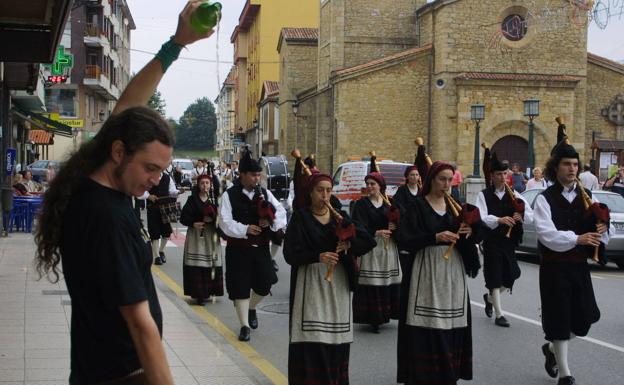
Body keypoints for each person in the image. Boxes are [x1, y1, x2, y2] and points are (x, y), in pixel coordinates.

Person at [33, 3, 212, 384]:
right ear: (119, 152)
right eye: (149, 168)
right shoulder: (105, 218)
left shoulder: (93, 183)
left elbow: (130, 103)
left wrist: (176, 45)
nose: (154, 180)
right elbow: (140, 323)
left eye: (161, 171)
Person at [535, 128, 611, 385]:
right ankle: (565, 373)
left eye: (575, 164)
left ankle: (552, 349)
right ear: (555, 168)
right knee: (559, 319)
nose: (572, 169)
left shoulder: (586, 198)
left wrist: (601, 229)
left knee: (586, 317)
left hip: (579, 267)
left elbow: (599, 234)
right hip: (554, 268)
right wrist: (576, 238)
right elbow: (547, 234)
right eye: (567, 164)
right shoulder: (544, 199)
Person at [284, 172, 375, 385]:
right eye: (320, 190)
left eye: (328, 190)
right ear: (311, 192)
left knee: (335, 338)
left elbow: (369, 241)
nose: (325, 195)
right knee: (314, 339)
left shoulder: (340, 218)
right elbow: (290, 254)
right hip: (311, 283)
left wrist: (349, 245)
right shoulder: (301, 218)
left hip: (338, 286)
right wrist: (317, 256)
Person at [396, 161, 481, 385]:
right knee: (427, 324)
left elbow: (474, 238)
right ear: (432, 180)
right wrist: (435, 237)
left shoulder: (457, 207)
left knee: (451, 324)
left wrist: (469, 231)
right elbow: (404, 239)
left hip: (452, 272)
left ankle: (448, 375)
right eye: (442, 179)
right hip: (426, 270)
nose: (446, 184)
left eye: (449, 180)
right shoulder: (417, 206)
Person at [218, 149, 287, 342]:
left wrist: (270, 222)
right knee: (240, 287)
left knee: (265, 284)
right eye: (253, 175)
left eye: (259, 175)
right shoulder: (229, 195)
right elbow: (224, 222)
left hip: (261, 248)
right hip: (238, 250)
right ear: (242, 175)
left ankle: (252, 307)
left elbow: (280, 212)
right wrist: (245, 229)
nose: (257, 178)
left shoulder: (264, 193)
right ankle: (244, 326)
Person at [476, 151, 533, 328]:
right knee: (494, 275)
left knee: (512, 274)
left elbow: (530, 216)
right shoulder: (483, 195)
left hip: (509, 241)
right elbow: (480, 216)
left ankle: (490, 298)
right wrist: (499, 220)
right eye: (499, 174)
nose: (502, 177)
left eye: (505, 174)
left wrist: (520, 215)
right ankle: (500, 314)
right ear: (492, 176)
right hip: (492, 240)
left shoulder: (515, 195)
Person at [351, 156, 402, 333]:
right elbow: (358, 225)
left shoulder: (390, 204)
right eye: (369, 184)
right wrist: (375, 232)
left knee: (386, 282)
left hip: (388, 248)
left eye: (373, 184)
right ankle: (373, 318)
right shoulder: (361, 205)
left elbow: (402, 223)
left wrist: (395, 226)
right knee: (373, 283)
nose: (370, 187)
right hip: (371, 248)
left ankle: (385, 314)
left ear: (380, 186)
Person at [180, 174, 222, 305]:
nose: (205, 186)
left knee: (211, 263)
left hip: (211, 235)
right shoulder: (192, 200)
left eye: (207, 183)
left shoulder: (215, 200)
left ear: (210, 185)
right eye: (202, 183)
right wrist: (194, 223)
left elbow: (223, 217)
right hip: (196, 236)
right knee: (198, 264)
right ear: (198, 185)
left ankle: (210, 291)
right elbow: (183, 218)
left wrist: (215, 219)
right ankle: (199, 294)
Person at [144, 169, 179, 265]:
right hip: (153, 207)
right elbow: (141, 190)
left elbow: (172, 191)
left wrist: (178, 192)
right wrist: (149, 196)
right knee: (154, 232)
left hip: (166, 207)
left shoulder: (167, 177)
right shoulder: (149, 176)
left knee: (166, 232)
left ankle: (161, 250)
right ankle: (156, 256)